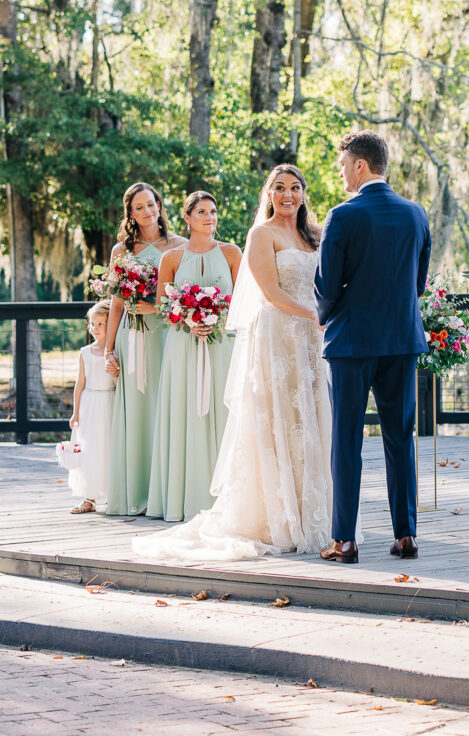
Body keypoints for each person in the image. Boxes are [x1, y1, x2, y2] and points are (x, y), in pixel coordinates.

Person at [134, 166, 337, 563]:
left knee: (309, 420)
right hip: (278, 336)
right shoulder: (260, 235)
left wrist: (327, 313)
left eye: (295, 188)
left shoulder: (314, 234)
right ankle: (277, 515)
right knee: (279, 420)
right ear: (268, 194)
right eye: (279, 188)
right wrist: (314, 314)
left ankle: (313, 509)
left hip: (311, 340)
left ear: (303, 194)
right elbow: (270, 291)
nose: (287, 195)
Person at [315, 132, 430, 564]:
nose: (341, 171)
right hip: (401, 340)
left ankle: (344, 539)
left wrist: (325, 313)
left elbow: (326, 285)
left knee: (346, 439)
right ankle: (406, 536)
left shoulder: (342, 215)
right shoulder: (416, 214)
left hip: (350, 343)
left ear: (361, 165)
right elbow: (417, 284)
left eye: (344, 163)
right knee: (401, 437)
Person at [145, 192, 241, 522]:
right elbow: (162, 304)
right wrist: (189, 317)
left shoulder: (232, 252)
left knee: (223, 412)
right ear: (187, 217)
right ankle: (182, 498)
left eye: (213, 211)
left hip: (221, 344)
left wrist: (214, 317)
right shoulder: (171, 257)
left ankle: (227, 498)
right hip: (182, 346)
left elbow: (242, 301)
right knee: (184, 413)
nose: (209, 217)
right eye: (201, 211)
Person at [105, 183, 184, 515]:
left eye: (150, 204)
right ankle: (135, 491)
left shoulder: (179, 245)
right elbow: (116, 302)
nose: (147, 211)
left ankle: (166, 492)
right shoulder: (120, 251)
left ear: (159, 205)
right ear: (131, 214)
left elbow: (182, 298)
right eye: (139, 207)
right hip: (132, 338)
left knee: (165, 406)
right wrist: (108, 350)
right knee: (137, 409)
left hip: (166, 333)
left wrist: (156, 308)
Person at [59, 300, 117, 514]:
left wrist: (116, 375)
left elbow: (119, 384)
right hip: (90, 404)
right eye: (92, 324)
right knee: (90, 448)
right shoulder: (85, 352)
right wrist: (75, 412)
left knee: (109, 447)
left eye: (101, 324)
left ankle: (114, 495)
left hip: (109, 402)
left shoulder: (115, 351)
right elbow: (80, 384)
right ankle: (89, 498)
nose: (95, 329)